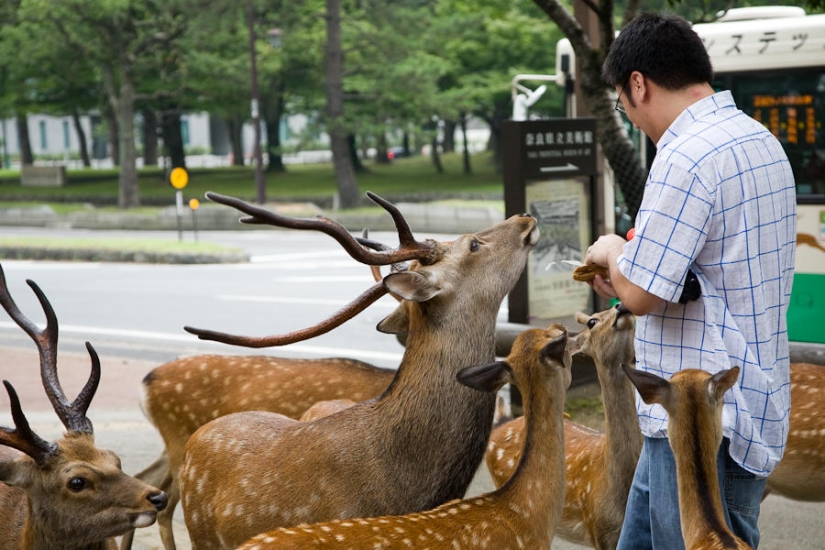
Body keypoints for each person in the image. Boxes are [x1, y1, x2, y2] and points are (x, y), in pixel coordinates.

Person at [585, 13, 797, 549]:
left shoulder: (684, 157)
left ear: (639, 83)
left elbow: (639, 293)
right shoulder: (761, 140)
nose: (630, 118)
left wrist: (612, 252)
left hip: (697, 425)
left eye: (621, 103)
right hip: (750, 400)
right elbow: (713, 271)